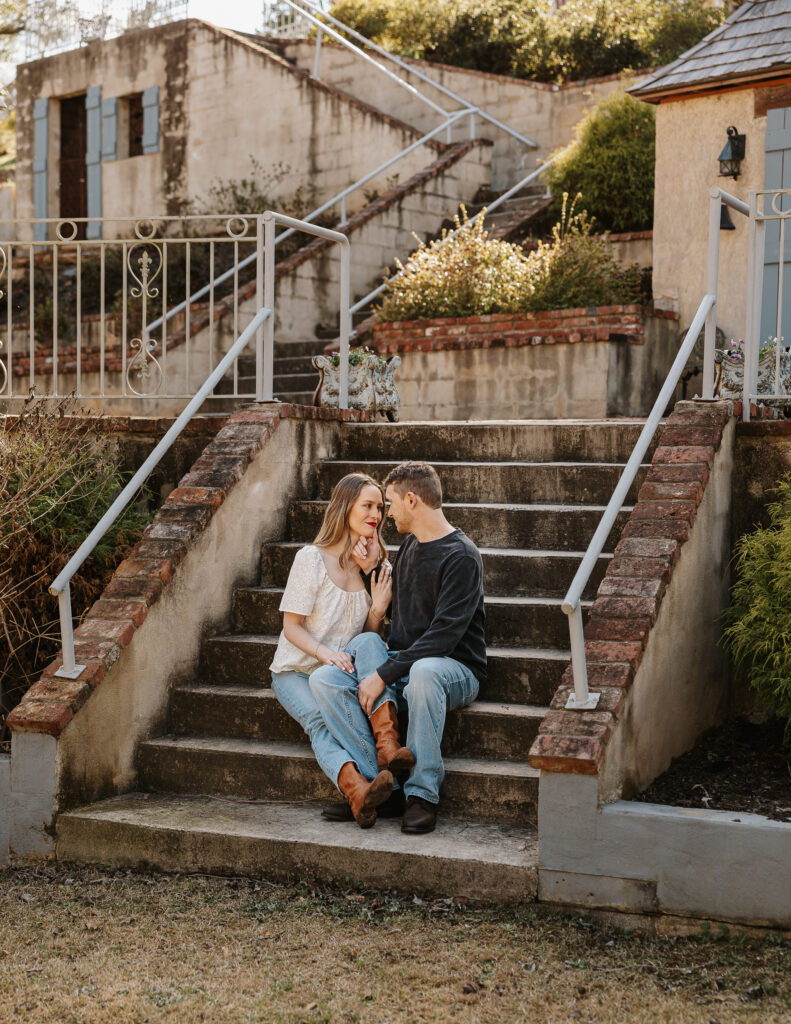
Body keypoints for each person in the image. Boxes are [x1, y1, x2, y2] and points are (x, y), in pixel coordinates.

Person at [309, 461, 486, 835]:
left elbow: (442, 638)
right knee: (327, 677)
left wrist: (383, 674)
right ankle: (379, 786)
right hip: (404, 665)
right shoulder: (409, 548)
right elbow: (395, 619)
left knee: (423, 672)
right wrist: (371, 568)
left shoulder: (462, 556)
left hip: (453, 669)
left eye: (389, 503)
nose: (385, 514)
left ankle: (421, 794)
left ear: (411, 499)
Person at [269, 472, 413, 828]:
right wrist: (325, 654)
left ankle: (386, 749)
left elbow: (365, 639)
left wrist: (378, 609)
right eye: (367, 505)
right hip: (296, 670)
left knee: (367, 643)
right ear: (346, 507)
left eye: (380, 507)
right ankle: (360, 788)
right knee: (319, 721)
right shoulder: (311, 559)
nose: (376, 514)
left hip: (339, 669)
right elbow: (291, 627)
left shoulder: (373, 566)